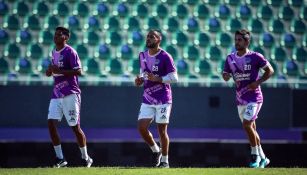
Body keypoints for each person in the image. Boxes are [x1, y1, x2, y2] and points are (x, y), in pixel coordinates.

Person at [222, 29, 274, 168]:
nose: (237, 42)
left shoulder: (256, 56)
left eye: (240, 40)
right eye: (236, 39)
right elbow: (225, 73)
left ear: (247, 41)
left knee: (246, 124)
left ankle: (255, 157)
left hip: (254, 98)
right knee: (251, 128)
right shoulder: (230, 58)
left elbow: (270, 70)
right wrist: (225, 76)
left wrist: (258, 82)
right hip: (240, 99)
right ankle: (264, 158)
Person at [46, 26, 93, 168]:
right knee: (51, 124)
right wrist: (49, 71)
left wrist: (60, 71)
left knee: (75, 127)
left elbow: (79, 71)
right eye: (55, 34)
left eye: (59, 34)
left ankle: (86, 157)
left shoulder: (70, 52)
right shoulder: (53, 52)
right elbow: (53, 71)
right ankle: (60, 158)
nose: (56, 37)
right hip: (56, 93)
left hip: (70, 93)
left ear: (66, 37)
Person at [135, 29, 178, 168]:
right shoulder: (142, 55)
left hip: (163, 99)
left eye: (152, 37)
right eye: (147, 36)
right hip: (148, 97)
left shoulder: (165, 56)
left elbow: (174, 78)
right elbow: (143, 73)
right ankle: (156, 150)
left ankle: (165, 161)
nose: (148, 39)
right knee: (141, 128)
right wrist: (139, 80)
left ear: (159, 40)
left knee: (161, 131)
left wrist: (159, 79)